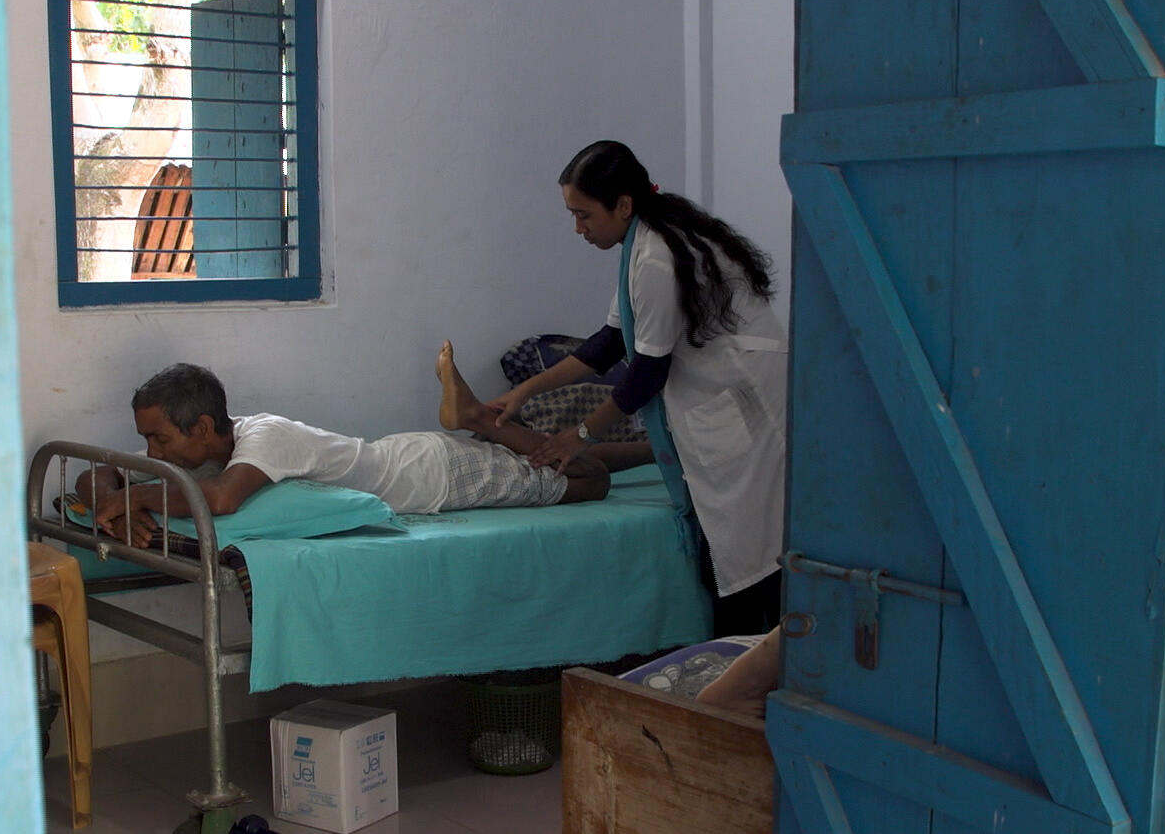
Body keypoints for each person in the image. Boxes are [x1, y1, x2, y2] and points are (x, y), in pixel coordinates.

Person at [491, 139, 788, 635]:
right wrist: (525, 392)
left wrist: (578, 436)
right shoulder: (642, 245)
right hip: (725, 406)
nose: (578, 228)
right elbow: (608, 342)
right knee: (737, 558)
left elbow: (646, 373)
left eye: (584, 215)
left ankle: (746, 667)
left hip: (744, 407)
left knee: (752, 563)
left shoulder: (654, 257)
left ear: (623, 205)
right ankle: (740, 661)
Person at [84, 356, 617, 547]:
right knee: (577, 464)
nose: (150, 451)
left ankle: (479, 417)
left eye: (159, 439)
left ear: (202, 427)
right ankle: (649, 451)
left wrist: (138, 499)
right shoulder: (201, 451)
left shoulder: (264, 439)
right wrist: (118, 505)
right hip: (411, 455)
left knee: (591, 478)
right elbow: (97, 474)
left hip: (439, 476)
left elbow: (221, 500)